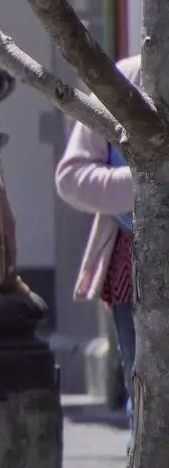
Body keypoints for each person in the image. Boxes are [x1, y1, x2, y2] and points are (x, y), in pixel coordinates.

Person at [56, 53, 139, 437]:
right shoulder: (124, 79)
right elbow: (72, 176)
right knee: (149, 407)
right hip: (139, 270)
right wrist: (147, 183)